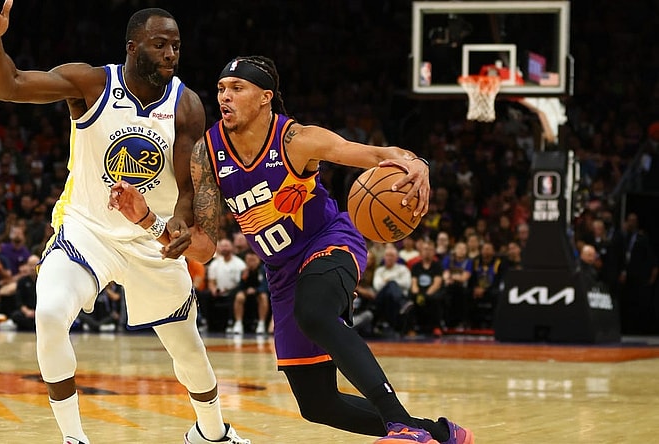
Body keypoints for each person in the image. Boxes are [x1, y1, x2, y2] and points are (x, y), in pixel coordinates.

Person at [111, 55, 471, 444]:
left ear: (265, 97)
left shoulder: (296, 140)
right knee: (318, 405)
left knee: (315, 313)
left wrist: (417, 163)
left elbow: (376, 154)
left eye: (237, 88)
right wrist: (148, 219)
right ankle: (441, 433)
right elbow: (202, 250)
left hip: (329, 242)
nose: (224, 97)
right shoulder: (207, 152)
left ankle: (404, 428)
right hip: (281, 272)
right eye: (220, 89)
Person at [0, 2, 248, 443]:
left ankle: (212, 434)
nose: (171, 53)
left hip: (148, 237)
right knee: (49, 312)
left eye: (176, 45)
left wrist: (174, 223)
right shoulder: (92, 83)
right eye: (160, 45)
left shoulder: (187, 105)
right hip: (88, 229)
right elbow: (9, 85)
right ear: (132, 47)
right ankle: (74, 438)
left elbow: (188, 190)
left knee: (189, 351)